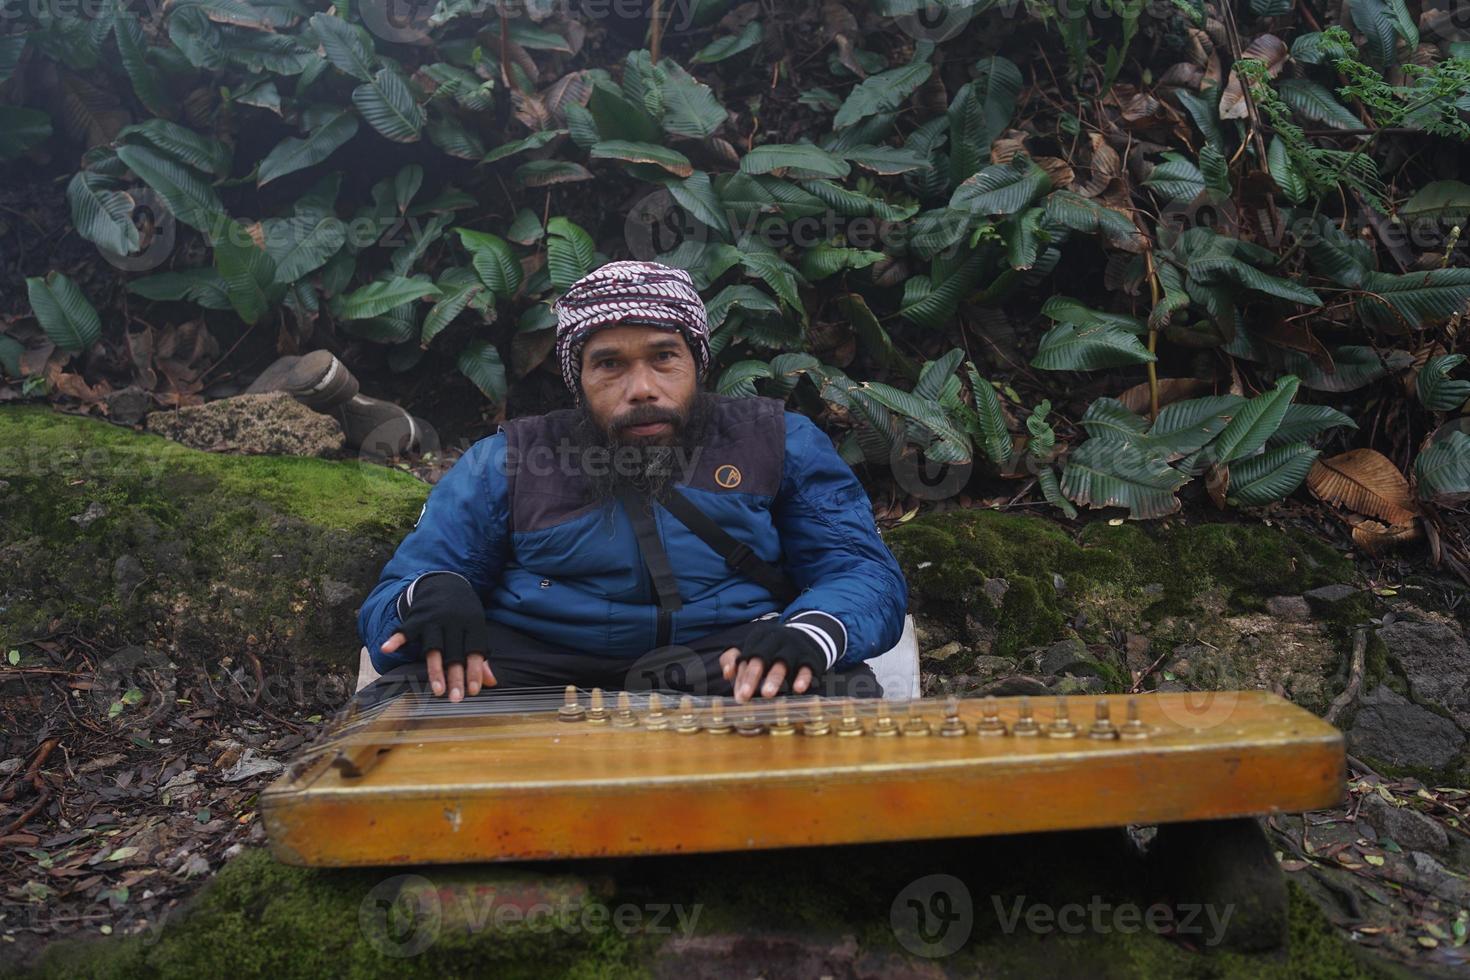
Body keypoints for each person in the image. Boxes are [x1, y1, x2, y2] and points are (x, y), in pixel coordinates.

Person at [357, 260, 908, 705]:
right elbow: (394, 601)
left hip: (728, 658)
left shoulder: (780, 441)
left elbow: (861, 572)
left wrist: (809, 632)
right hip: (538, 664)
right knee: (404, 697)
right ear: (580, 380)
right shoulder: (505, 461)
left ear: (698, 364)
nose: (641, 388)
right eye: (610, 365)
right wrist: (430, 594)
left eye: (664, 357)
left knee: (839, 689)